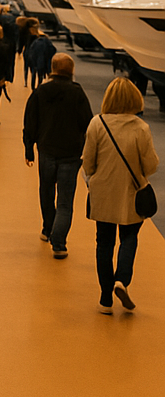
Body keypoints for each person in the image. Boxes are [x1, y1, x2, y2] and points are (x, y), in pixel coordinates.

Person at [81, 77, 159, 314]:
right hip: (131, 193)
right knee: (129, 237)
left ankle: (105, 298)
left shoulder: (97, 124)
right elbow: (150, 166)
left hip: (103, 193)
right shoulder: (140, 128)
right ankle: (122, 280)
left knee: (104, 243)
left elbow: (88, 163)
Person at [22, 52, 93, 258]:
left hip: (46, 150)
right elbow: (88, 124)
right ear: (71, 71)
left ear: (52, 69)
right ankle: (59, 243)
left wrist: (29, 149)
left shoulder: (40, 92)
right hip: (71, 153)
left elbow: (30, 122)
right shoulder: (77, 93)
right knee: (65, 200)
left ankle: (47, 228)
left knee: (46, 191)